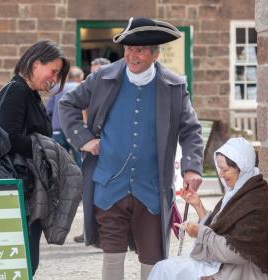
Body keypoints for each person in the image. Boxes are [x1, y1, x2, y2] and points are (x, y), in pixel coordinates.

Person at [59, 17, 203, 280]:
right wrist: (85, 139)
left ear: (155, 54)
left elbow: (191, 130)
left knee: (153, 259)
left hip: (151, 188)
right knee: (111, 255)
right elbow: (67, 105)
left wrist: (192, 167)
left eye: (140, 50)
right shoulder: (102, 78)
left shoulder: (174, 86)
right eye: (128, 49)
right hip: (108, 185)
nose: (132, 56)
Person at [148, 137, 268, 280]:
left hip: (245, 271)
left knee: (166, 271)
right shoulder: (237, 191)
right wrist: (198, 206)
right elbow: (219, 229)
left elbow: (237, 252)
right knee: (164, 268)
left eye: (225, 169)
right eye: (220, 169)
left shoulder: (256, 200)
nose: (220, 174)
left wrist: (199, 232)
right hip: (227, 264)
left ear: (242, 167)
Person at [0, 39, 69, 276]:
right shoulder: (17, 91)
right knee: (24, 261)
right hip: (18, 189)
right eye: (52, 71)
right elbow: (10, 138)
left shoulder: (29, 93)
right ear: (36, 64)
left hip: (27, 187)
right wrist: (46, 146)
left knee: (26, 261)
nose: (54, 78)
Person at [73, 57, 111, 244]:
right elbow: (81, 113)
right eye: (92, 72)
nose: (94, 76)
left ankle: (104, 231)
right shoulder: (87, 89)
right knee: (89, 188)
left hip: (112, 146)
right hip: (91, 144)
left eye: (98, 72)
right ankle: (89, 231)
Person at [46, 66, 84, 167]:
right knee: (80, 160)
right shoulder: (81, 88)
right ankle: (81, 182)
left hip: (57, 130)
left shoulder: (57, 89)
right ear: (80, 77)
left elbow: (48, 111)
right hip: (75, 129)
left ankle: (63, 183)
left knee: (61, 162)